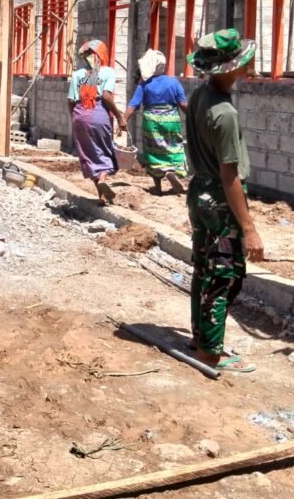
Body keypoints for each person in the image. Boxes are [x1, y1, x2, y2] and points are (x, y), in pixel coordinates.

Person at [184, 29, 265, 373]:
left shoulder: (201, 95)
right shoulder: (225, 115)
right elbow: (231, 176)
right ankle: (210, 351)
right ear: (230, 67)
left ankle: (201, 337)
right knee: (224, 275)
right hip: (219, 199)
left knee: (204, 269)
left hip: (199, 194)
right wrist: (249, 229)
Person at [123, 49, 189, 194]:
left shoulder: (144, 84)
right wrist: (194, 117)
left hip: (151, 122)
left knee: (153, 152)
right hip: (171, 120)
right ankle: (171, 171)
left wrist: (123, 120)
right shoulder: (174, 82)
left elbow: (133, 105)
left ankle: (158, 187)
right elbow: (183, 105)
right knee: (173, 147)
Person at [68, 39, 125, 204]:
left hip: (79, 115)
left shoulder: (77, 75)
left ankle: (101, 197)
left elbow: (71, 100)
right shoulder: (107, 72)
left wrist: (75, 118)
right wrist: (120, 117)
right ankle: (103, 178)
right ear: (102, 54)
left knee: (89, 154)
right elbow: (106, 96)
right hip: (98, 114)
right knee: (105, 151)